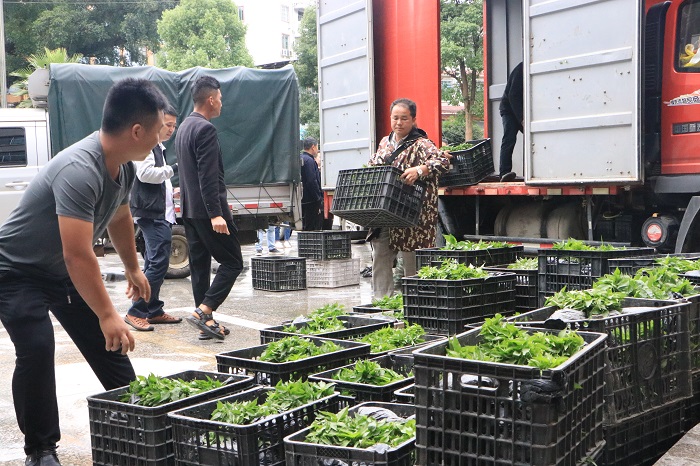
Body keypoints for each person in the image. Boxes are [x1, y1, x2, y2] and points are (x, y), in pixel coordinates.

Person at [0, 78, 167, 466]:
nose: (160, 140)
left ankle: (142, 417)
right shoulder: (80, 168)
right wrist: (108, 313)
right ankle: (40, 449)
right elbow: (78, 255)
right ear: (136, 131)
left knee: (107, 340)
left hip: (58, 270)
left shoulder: (122, 167)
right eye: (158, 131)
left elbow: (120, 215)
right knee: (39, 347)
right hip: (15, 270)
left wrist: (132, 268)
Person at [176, 75, 243, 341]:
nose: (222, 105)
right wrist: (216, 213)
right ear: (211, 99)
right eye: (221, 99)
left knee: (200, 267)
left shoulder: (183, 127)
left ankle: (206, 320)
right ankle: (204, 311)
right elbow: (207, 176)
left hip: (190, 211)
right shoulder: (205, 129)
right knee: (232, 262)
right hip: (206, 211)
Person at [368, 98, 450, 299]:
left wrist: (420, 170)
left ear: (413, 120)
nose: (398, 123)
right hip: (386, 210)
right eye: (395, 118)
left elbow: (442, 161)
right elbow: (372, 165)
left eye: (404, 118)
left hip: (413, 214)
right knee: (380, 254)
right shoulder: (384, 143)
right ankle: (382, 302)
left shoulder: (422, 144)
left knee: (413, 259)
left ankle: (415, 302)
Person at [124, 105, 182, 331]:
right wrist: (174, 169)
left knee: (154, 262)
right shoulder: (148, 147)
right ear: (156, 123)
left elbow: (158, 179)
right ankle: (135, 311)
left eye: (174, 125)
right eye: (168, 125)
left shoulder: (158, 147)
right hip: (152, 214)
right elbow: (145, 174)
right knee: (157, 263)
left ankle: (153, 309)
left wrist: (170, 191)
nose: (171, 129)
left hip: (159, 212)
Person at [499, 62, 524, 182]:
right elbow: (513, 95)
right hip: (508, 109)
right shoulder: (521, 69)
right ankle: (504, 172)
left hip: (521, 110)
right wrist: (521, 119)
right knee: (509, 139)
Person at [300, 137, 323, 231]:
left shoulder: (301, 158)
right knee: (311, 227)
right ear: (313, 147)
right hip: (311, 200)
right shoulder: (309, 161)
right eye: (317, 147)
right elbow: (312, 181)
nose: (317, 150)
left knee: (305, 225)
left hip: (302, 198)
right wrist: (318, 197)